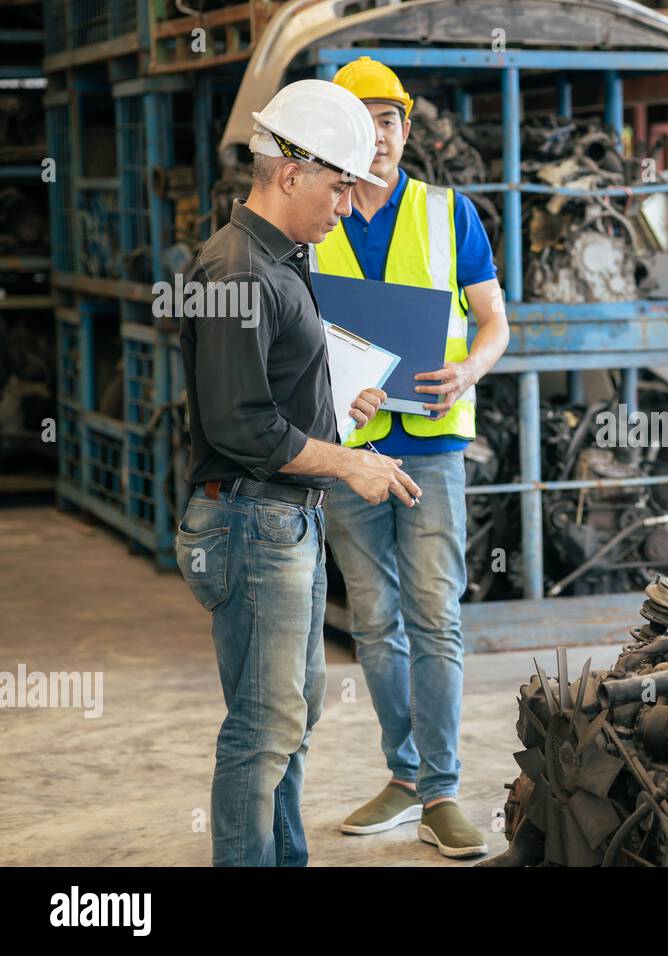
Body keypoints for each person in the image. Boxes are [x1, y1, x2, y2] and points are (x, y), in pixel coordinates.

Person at [175, 79, 423, 866]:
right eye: (341, 185)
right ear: (291, 173)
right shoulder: (239, 272)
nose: (348, 206)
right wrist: (350, 464)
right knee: (264, 724)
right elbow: (240, 423)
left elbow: (272, 394)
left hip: (283, 516)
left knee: (291, 715)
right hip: (252, 519)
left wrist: (340, 407)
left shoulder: (280, 260)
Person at [312, 56, 509, 859]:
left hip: (430, 448)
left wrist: (468, 369)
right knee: (376, 622)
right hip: (349, 452)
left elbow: (495, 322)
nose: (382, 136)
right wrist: (334, 388)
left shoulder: (448, 212)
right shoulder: (313, 220)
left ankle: (442, 790)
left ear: (404, 128)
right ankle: (404, 777)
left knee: (435, 617)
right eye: (365, 123)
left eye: (391, 121)